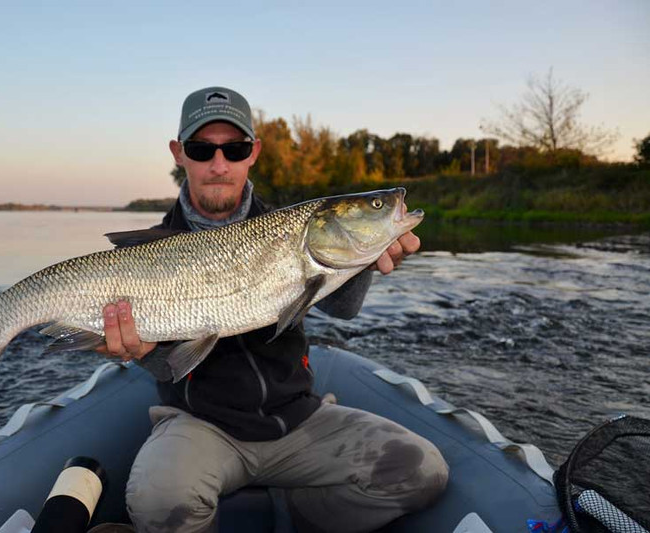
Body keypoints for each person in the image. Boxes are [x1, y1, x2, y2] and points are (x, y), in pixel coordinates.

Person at [98, 87, 448, 533]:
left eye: (235, 148)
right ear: (178, 154)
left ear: (254, 153)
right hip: (202, 426)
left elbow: (341, 310)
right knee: (157, 499)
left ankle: (298, 516)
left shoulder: (291, 226)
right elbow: (170, 369)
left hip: (298, 418)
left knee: (423, 472)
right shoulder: (152, 247)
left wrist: (363, 256)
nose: (219, 164)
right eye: (202, 149)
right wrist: (138, 349)